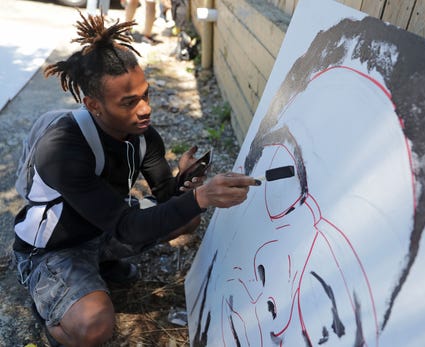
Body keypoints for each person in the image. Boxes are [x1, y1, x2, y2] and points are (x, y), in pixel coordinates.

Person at [12, 13, 259, 347]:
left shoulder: (142, 135)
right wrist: (200, 197)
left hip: (102, 227)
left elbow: (164, 196)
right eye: (129, 102)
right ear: (93, 105)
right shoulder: (62, 148)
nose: (145, 109)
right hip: (56, 246)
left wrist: (183, 180)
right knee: (94, 327)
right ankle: (51, 308)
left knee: (187, 218)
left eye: (146, 94)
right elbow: (128, 226)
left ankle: (101, 262)